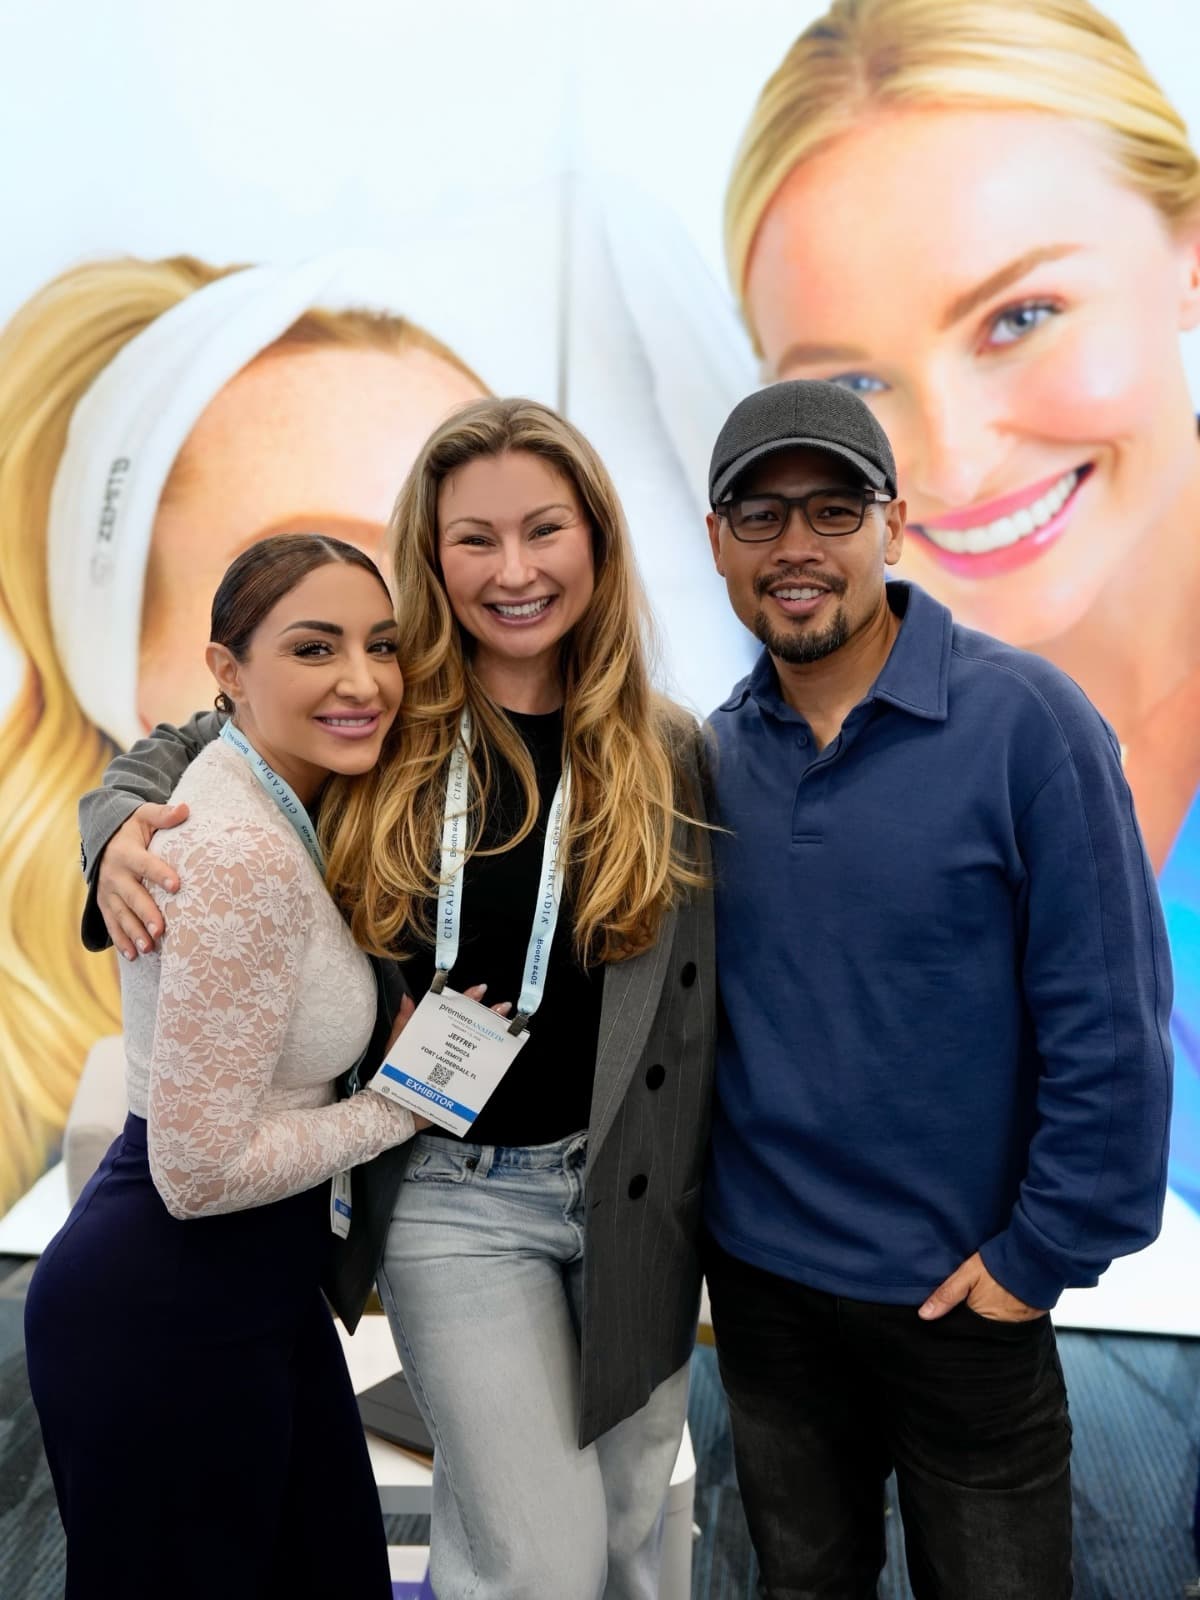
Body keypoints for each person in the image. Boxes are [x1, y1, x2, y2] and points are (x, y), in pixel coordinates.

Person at [78, 397, 716, 1600]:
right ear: (430, 552)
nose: (514, 571)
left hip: (635, 1193)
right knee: (540, 1554)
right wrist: (112, 827)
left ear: (599, 542)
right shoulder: (385, 720)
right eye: (474, 537)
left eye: (545, 531)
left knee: (630, 1535)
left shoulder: (666, 748)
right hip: (454, 1198)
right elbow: (195, 747)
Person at [721, 0, 1200, 1221]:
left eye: (1022, 317)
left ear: (1187, 250)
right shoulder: (756, 761)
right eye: (851, 381)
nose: (952, 460)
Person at [701, 378, 1173, 1598]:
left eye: (833, 509)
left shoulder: (1027, 721)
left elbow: (1112, 1031)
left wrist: (1038, 1260)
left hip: (963, 1299)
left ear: (894, 527)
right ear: (716, 543)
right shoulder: (711, 755)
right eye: (759, 514)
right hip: (765, 1302)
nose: (796, 545)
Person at [0, 250, 485, 1216]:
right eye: (308, 626)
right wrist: (119, 822)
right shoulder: (196, 831)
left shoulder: (474, 736)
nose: (372, 661)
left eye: (435, 559)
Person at [25, 533, 420, 1599]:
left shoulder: (274, 789)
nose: (360, 679)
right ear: (227, 672)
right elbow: (196, 1172)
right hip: (168, 1308)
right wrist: (399, 1105)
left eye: (381, 645)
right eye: (314, 646)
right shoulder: (238, 846)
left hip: (249, 1296)